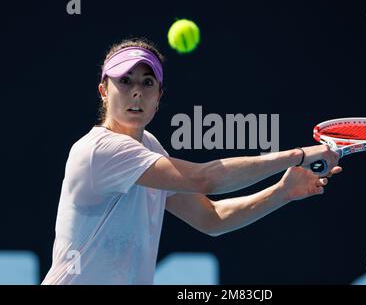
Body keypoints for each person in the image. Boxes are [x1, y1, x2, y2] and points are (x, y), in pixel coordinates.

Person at [42, 38, 342, 285]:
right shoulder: (100, 150)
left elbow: (211, 218)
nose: (136, 91)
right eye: (124, 80)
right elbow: (206, 178)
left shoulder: (150, 147)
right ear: (104, 92)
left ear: (159, 96)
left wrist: (281, 192)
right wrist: (297, 155)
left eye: (147, 82)